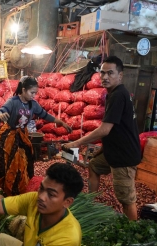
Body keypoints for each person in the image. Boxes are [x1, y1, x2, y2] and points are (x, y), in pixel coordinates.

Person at [63, 56, 141, 221]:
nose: (105, 77)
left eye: (110, 73)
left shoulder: (118, 95)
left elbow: (105, 129)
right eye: (103, 73)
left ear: (120, 75)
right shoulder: (114, 94)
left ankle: (134, 231)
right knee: (94, 165)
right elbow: (117, 129)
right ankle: (90, 204)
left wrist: (76, 143)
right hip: (114, 150)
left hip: (123, 156)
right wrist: (103, 148)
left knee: (126, 199)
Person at [0, 76, 72, 196]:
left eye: (35, 93)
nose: (33, 95)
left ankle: (20, 186)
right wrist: (1, 115)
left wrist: (61, 122)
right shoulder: (13, 101)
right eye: (31, 92)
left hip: (22, 135)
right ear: (24, 90)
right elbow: (0, 111)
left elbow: (45, 115)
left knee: (25, 159)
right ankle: (8, 188)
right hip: (9, 135)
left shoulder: (33, 105)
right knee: (10, 161)